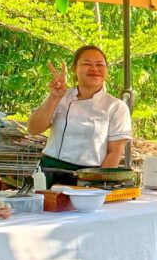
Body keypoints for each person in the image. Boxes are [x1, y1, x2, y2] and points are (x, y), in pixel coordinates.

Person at [27, 45, 132, 184]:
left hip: (89, 176)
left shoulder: (116, 107)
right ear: (74, 69)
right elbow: (33, 129)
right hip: (49, 171)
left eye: (100, 64)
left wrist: (98, 185)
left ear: (106, 70)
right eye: (87, 64)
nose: (94, 69)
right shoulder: (60, 96)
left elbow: (115, 152)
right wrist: (54, 97)